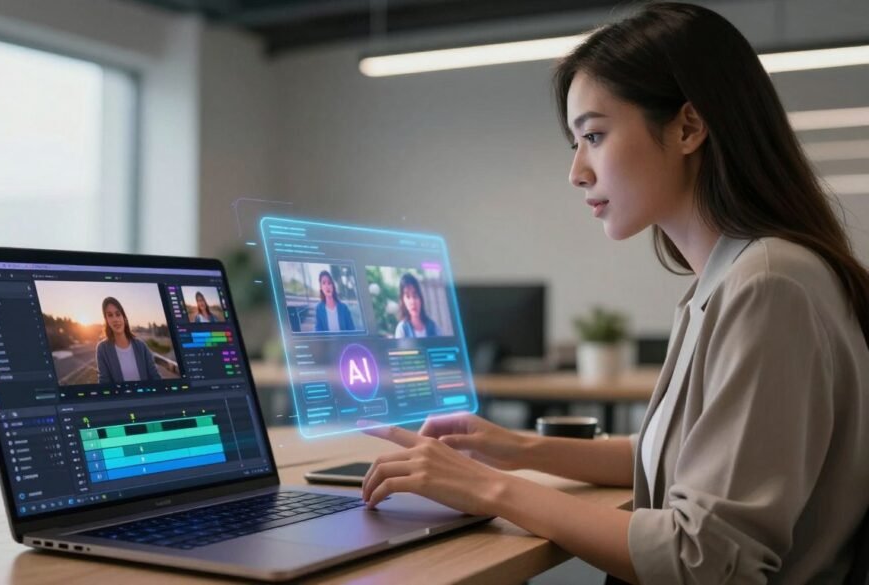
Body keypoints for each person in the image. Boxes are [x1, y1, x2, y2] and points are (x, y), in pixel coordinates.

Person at [360, 4, 869, 583]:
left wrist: (491, 489)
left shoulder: (769, 285)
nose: (577, 171)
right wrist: (516, 449)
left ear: (688, 128)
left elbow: (702, 559)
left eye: (594, 136)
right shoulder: (729, 278)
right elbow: (669, 455)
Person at [96, 296, 162, 383]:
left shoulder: (141, 346)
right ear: (106, 320)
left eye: (118, 314)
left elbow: (155, 377)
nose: (115, 319)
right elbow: (104, 383)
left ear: (124, 317)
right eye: (110, 315)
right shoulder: (102, 349)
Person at [393, 273, 438, 338]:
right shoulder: (402, 329)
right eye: (408, 296)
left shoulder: (433, 327)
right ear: (403, 301)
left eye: (415, 296)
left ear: (420, 298)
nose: (412, 302)